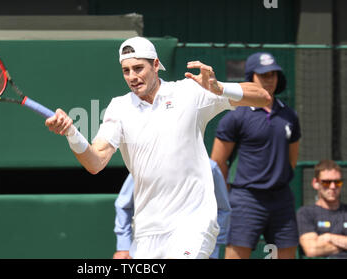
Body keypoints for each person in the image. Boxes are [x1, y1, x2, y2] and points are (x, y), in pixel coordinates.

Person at [45, 36, 271, 259]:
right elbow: (95, 162)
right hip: (146, 232)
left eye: (138, 68)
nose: (132, 77)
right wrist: (71, 133)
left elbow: (262, 97)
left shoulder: (191, 92)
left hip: (192, 223)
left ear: (155, 65)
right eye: (126, 71)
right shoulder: (119, 107)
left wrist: (219, 88)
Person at [211, 52, 301, 259]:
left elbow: (292, 160)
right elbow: (217, 162)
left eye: (273, 74)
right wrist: (226, 196)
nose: (269, 80)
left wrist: (276, 180)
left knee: (285, 254)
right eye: (263, 75)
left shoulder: (290, 115)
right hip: (245, 199)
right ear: (251, 77)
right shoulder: (236, 116)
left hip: (281, 199)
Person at [112, 159, 231, 259]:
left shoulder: (209, 168)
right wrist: (124, 246)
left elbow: (221, 210)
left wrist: (212, 249)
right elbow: (124, 205)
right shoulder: (144, 164)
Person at [296, 160, 347, 258]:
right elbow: (312, 250)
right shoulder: (305, 213)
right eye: (326, 182)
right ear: (316, 183)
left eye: (337, 182)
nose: (332, 186)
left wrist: (329, 237)